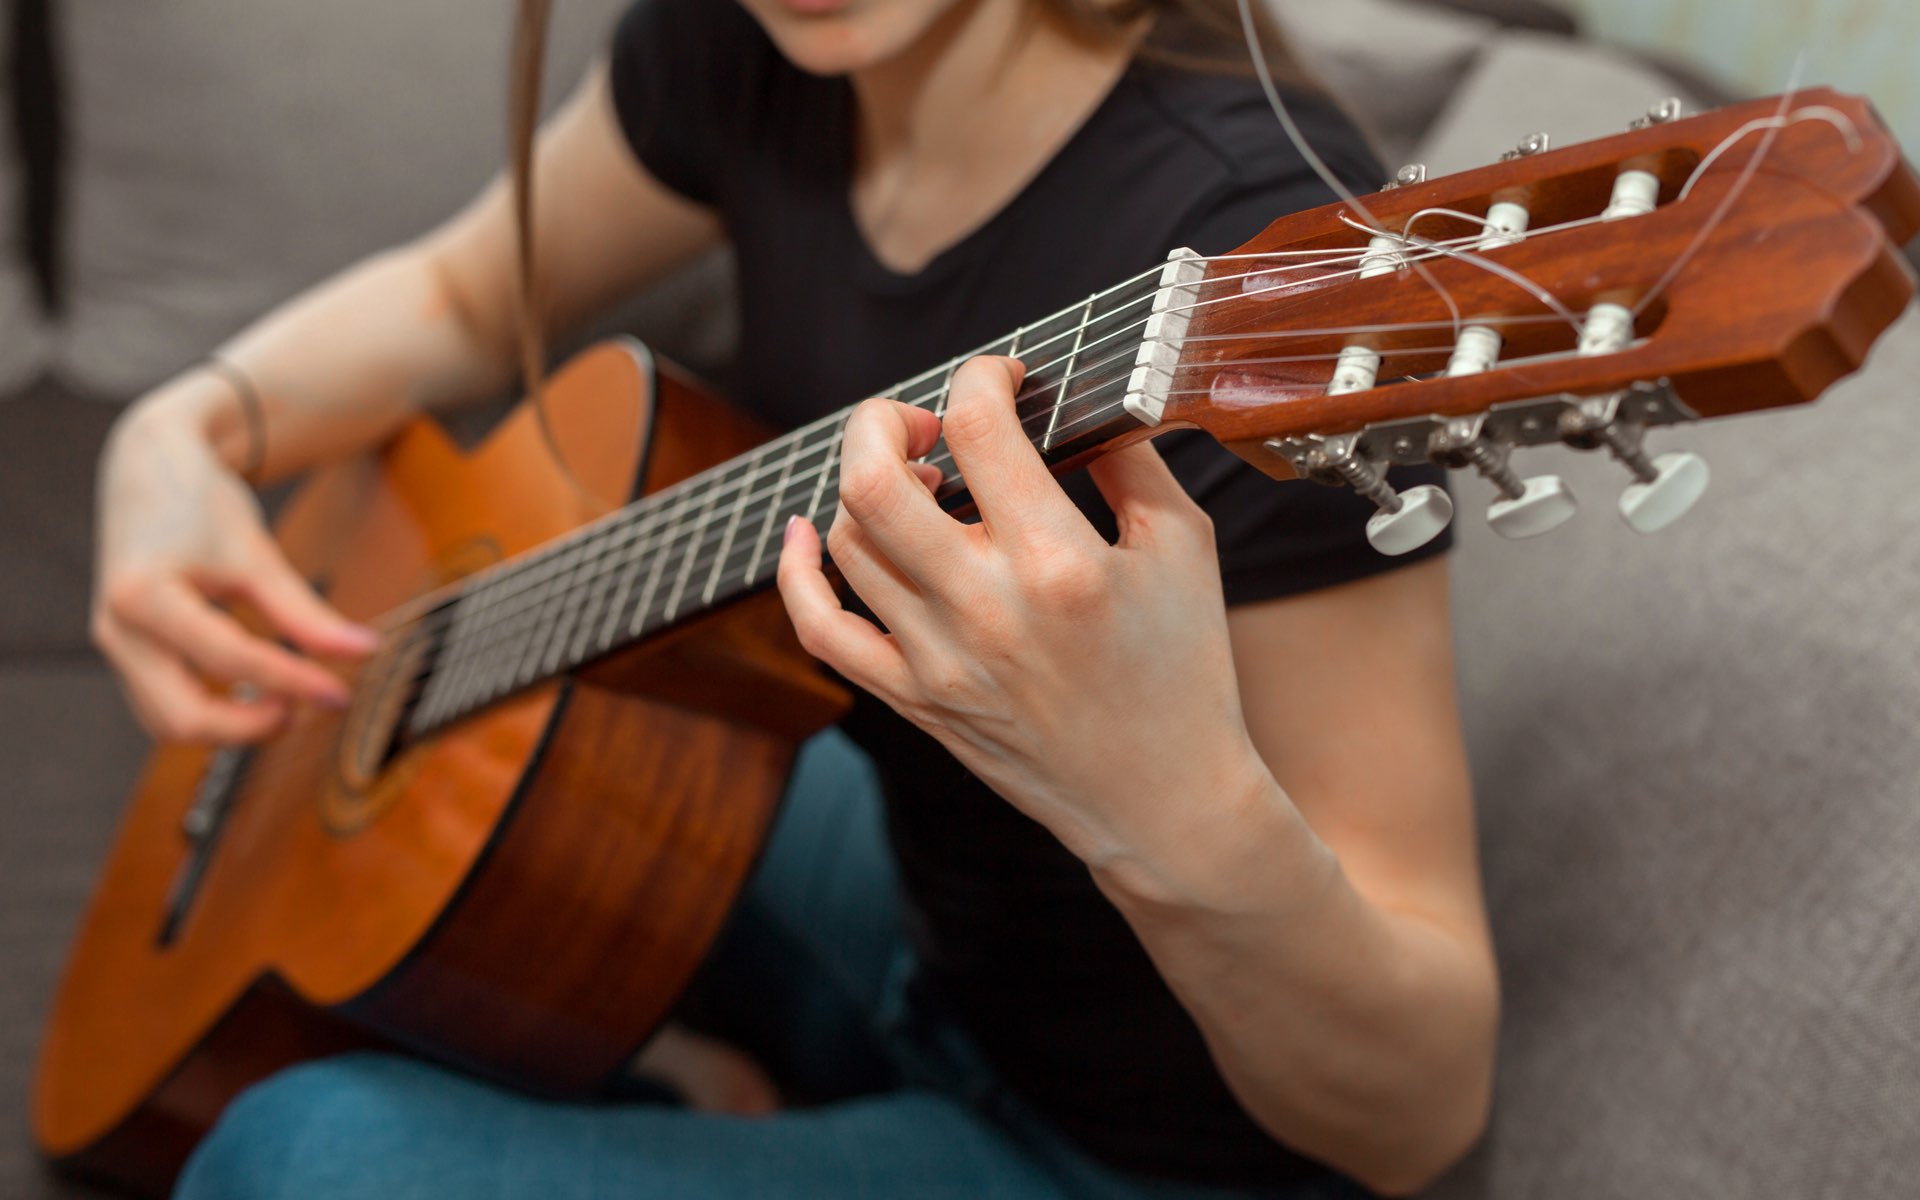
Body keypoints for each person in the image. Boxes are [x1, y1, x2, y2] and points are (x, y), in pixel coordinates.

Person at [90, 0, 1498, 1195]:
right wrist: (179, 432)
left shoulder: (1264, 257)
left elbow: (1419, 1111)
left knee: (304, 1154)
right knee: (515, 800)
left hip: (1132, 1146)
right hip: (926, 901)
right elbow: (467, 298)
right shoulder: (750, 42)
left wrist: (1160, 804)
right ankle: (657, 1047)